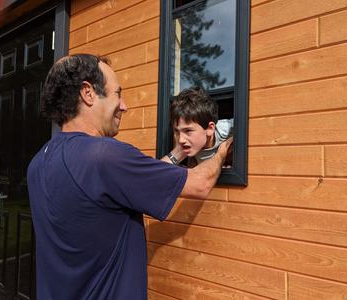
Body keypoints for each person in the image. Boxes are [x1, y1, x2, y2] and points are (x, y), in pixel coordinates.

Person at [27, 54, 232, 299]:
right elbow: (200, 184)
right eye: (117, 94)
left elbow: (141, 182)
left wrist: (179, 151)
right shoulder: (106, 156)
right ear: (88, 93)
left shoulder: (38, 162)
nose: (124, 105)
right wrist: (223, 149)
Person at [165, 87, 233, 167]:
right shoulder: (185, 145)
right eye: (176, 131)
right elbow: (159, 172)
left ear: (210, 129)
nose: (180, 140)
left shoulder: (227, 128)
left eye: (188, 131)